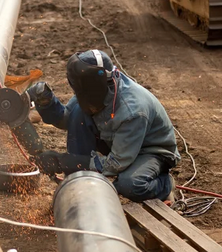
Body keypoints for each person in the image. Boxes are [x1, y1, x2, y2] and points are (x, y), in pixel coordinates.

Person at [27, 50, 180, 202]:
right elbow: (67, 119)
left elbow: (116, 163)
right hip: (119, 141)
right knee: (79, 115)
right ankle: (80, 183)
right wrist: (46, 102)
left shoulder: (133, 111)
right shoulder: (94, 90)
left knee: (130, 185)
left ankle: (165, 185)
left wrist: (64, 162)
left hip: (150, 151)